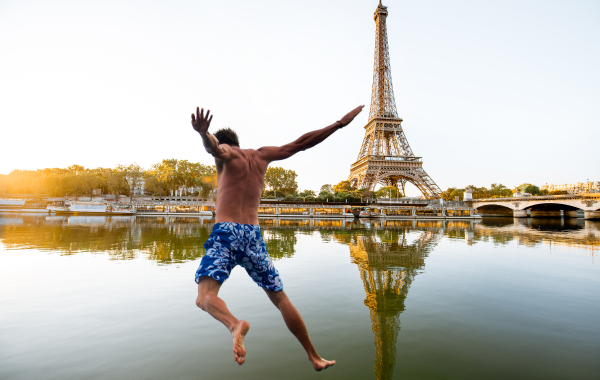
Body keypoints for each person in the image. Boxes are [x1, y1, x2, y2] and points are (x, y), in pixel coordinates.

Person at [191, 105, 364, 371]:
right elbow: (301, 144)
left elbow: (215, 148)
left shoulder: (227, 154)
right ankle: (314, 357)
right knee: (281, 298)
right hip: (253, 236)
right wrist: (339, 124)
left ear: (228, 144)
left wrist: (204, 134)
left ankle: (234, 324)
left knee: (204, 297)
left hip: (227, 233)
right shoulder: (261, 156)